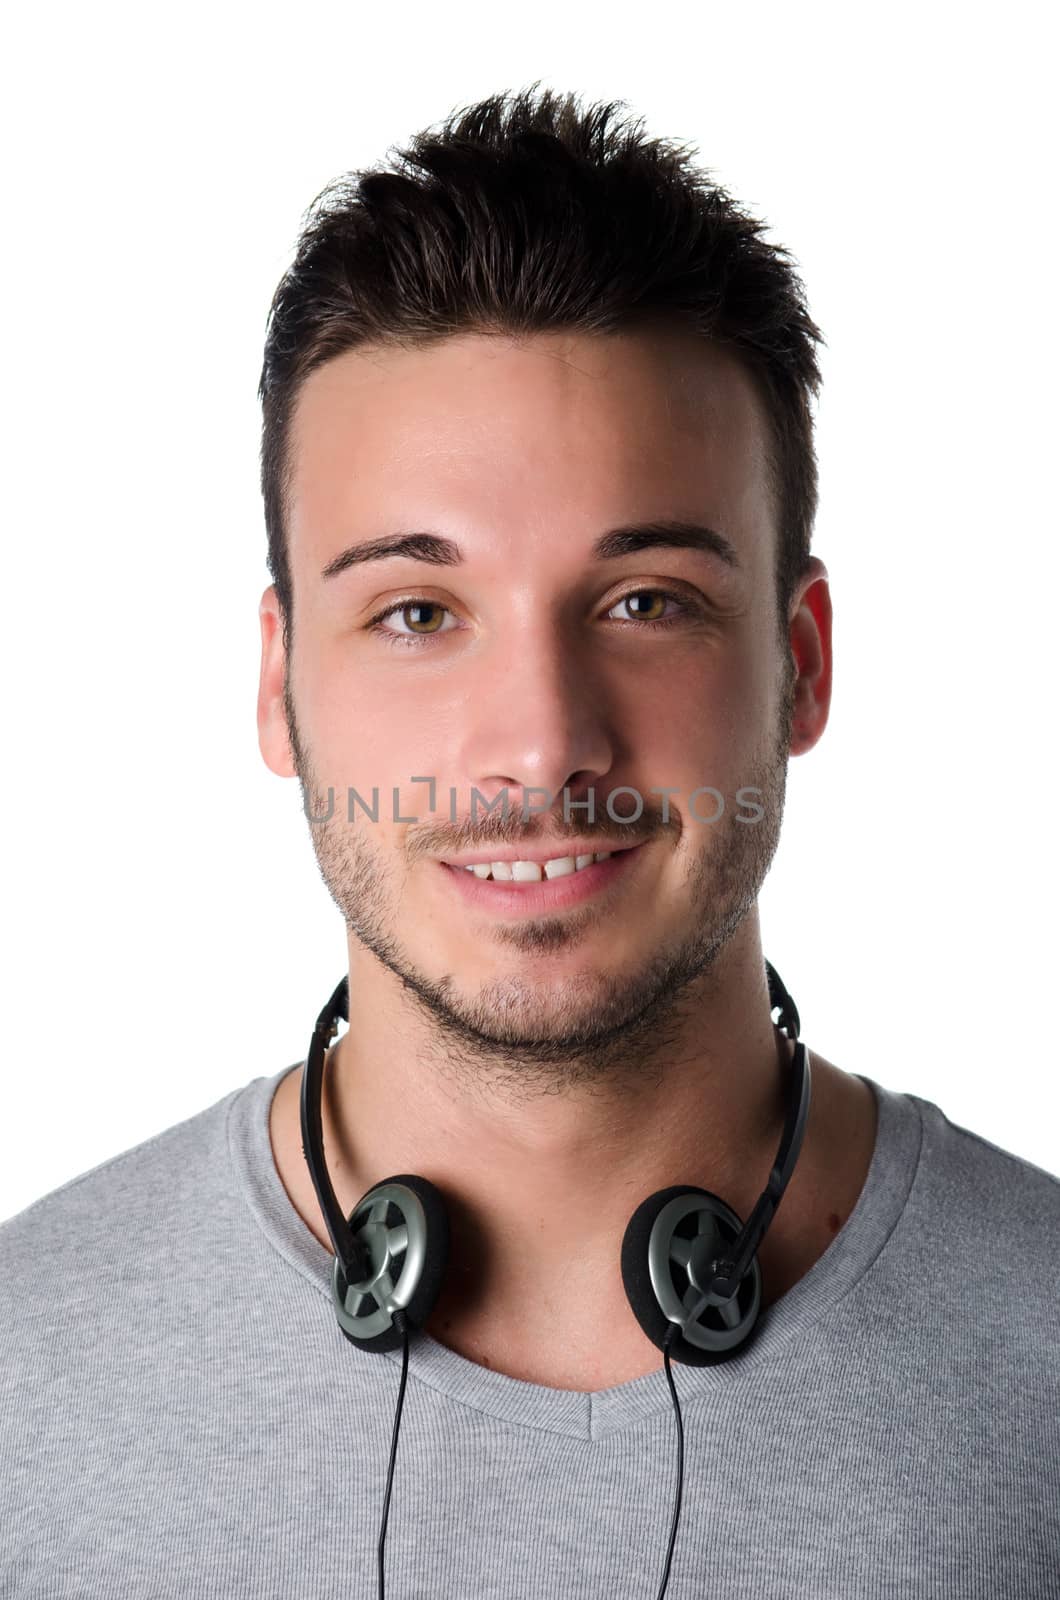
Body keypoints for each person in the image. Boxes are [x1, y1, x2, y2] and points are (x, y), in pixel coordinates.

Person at [2, 81, 1057, 1600]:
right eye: (418, 613)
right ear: (278, 686)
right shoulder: (23, 1376)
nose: (540, 739)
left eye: (645, 604)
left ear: (803, 660)